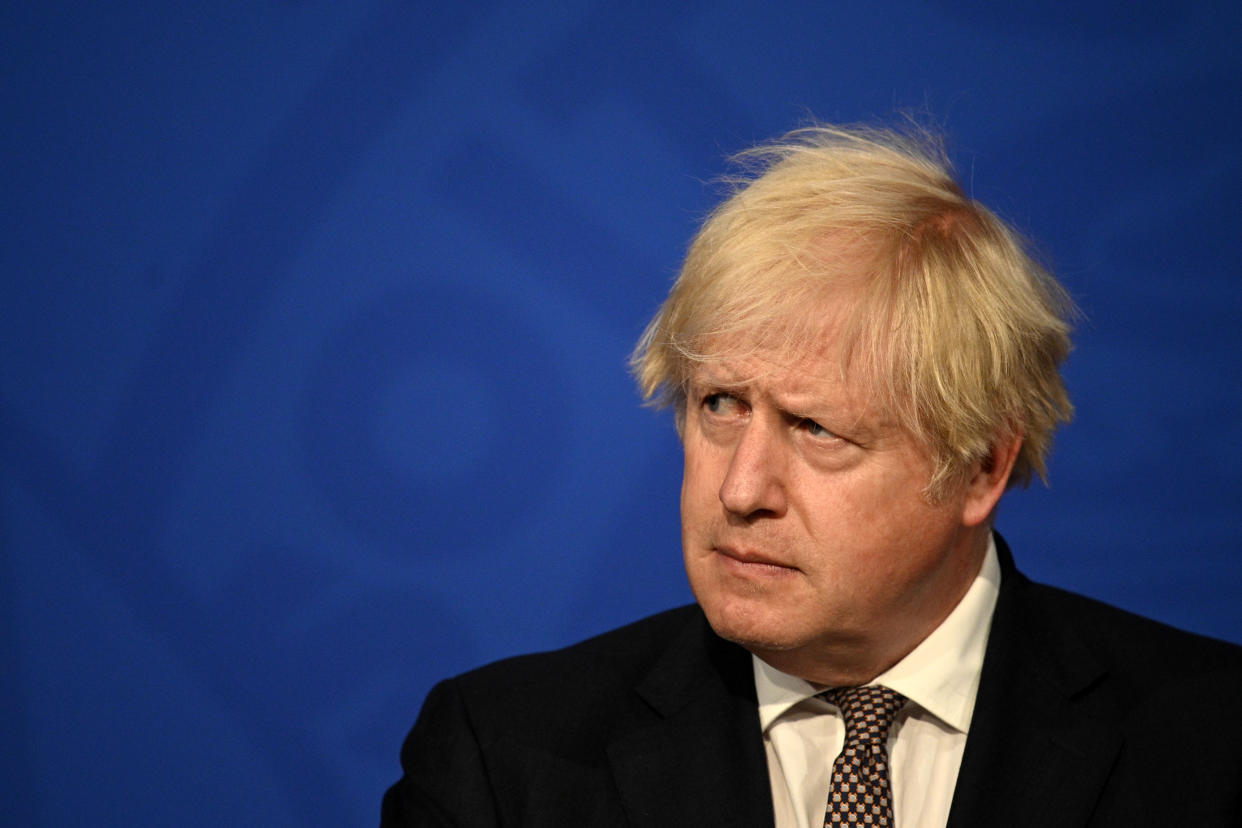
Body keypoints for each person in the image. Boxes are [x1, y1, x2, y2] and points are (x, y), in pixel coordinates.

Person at [381, 123, 1242, 827]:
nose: (741, 490)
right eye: (719, 405)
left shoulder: (1209, 746)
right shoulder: (503, 762)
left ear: (982, 466)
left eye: (816, 428)